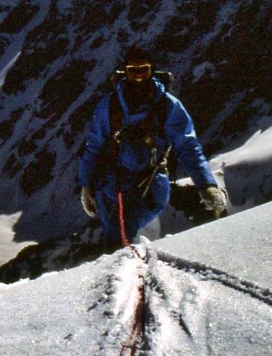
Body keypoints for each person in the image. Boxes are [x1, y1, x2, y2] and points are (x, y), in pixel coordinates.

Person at [78, 46, 227, 245]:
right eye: (133, 70)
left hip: (151, 183)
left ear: (151, 71)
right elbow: (94, 146)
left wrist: (207, 185)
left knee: (118, 234)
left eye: (143, 70)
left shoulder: (167, 105)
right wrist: (86, 186)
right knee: (115, 231)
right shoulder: (110, 106)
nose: (138, 76)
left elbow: (187, 146)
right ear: (125, 72)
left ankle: (123, 267)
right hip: (112, 183)